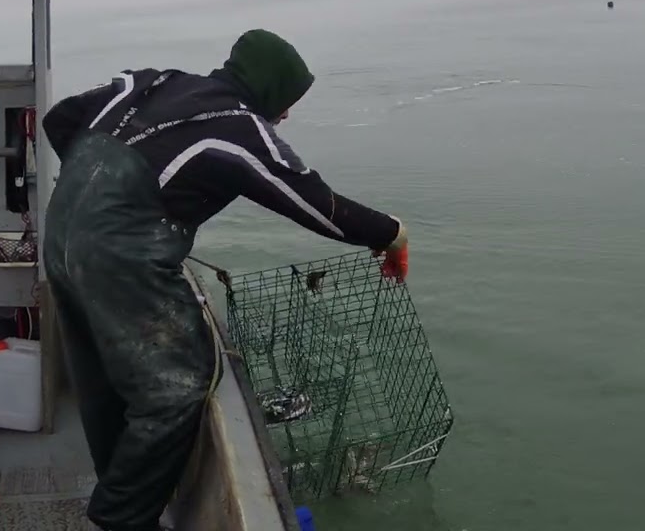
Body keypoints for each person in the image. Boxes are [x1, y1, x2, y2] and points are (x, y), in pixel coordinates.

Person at [40, 29, 409, 531]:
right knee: (178, 384)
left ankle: (116, 484)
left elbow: (58, 118)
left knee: (102, 374)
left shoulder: (150, 82)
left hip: (62, 231)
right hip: (118, 257)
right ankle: (118, 519)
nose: (287, 115)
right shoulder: (236, 127)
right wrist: (393, 235)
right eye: (288, 101)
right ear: (270, 88)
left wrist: (96, 192)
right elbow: (312, 203)